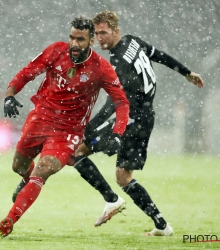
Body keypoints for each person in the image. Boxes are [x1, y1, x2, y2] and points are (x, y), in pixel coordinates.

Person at [0, 14, 129, 238]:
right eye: (72, 38)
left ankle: (9, 220)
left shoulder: (101, 68)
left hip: (68, 132)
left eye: (81, 39)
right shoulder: (55, 51)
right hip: (40, 118)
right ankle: (27, 182)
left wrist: (118, 133)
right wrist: (9, 95)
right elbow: (28, 72)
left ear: (91, 40)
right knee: (18, 166)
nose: (74, 44)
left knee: (44, 169)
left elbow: (121, 101)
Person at [73, 10, 204, 236]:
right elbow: (159, 55)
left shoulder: (118, 62)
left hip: (129, 120)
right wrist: (185, 72)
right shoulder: (133, 41)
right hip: (145, 117)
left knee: (76, 152)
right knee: (124, 177)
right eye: (97, 33)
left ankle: (111, 200)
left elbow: (115, 104)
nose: (100, 38)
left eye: (104, 32)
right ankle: (162, 225)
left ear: (116, 32)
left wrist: (89, 127)